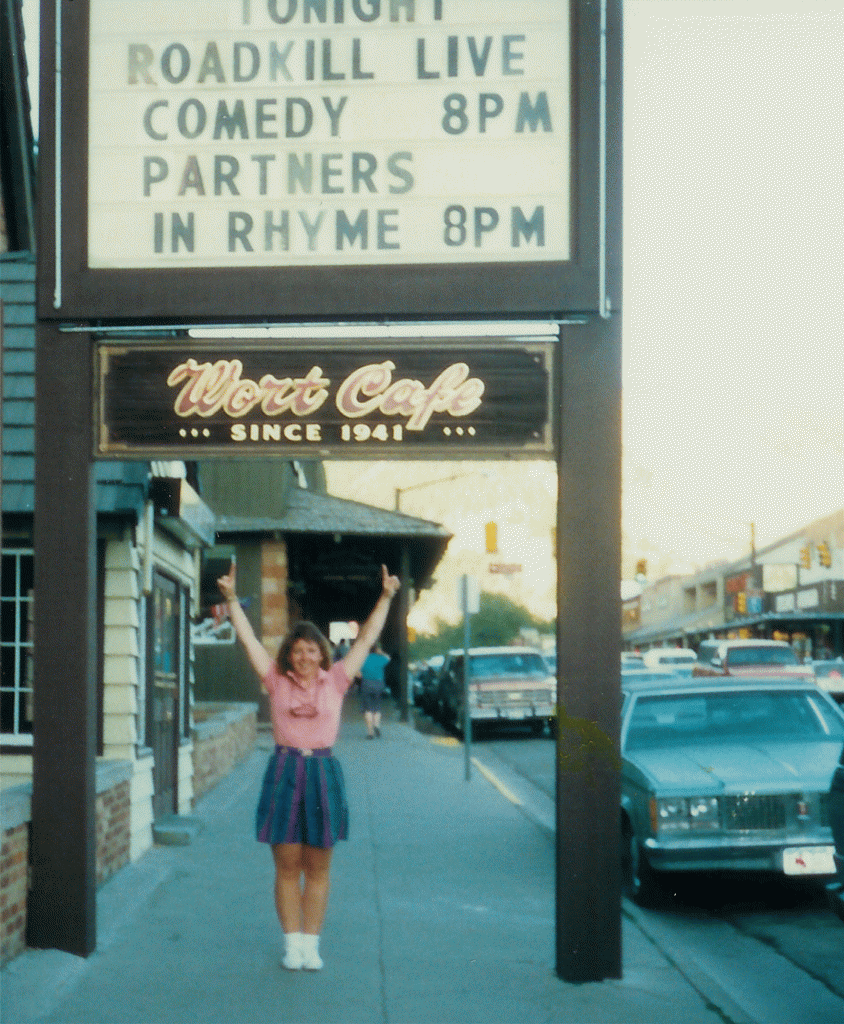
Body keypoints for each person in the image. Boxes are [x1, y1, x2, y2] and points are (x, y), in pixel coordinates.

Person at [216, 561, 400, 971]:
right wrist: (230, 599)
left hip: (321, 773)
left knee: (317, 866)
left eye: (311, 650)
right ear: (289, 655)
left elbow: (367, 637)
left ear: (322, 654)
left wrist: (386, 596)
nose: (303, 656)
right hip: (284, 773)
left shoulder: (336, 680)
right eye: (297, 650)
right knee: (286, 866)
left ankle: (312, 944)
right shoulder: (275, 681)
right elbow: (248, 641)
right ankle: (292, 944)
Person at [360, 645, 390, 738]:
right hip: (379, 684)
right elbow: (388, 658)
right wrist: (381, 653)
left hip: (366, 684)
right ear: (376, 650)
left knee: (367, 709)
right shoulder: (381, 658)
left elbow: (358, 673)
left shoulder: (362, 659)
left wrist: (364, 675)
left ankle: (370, 733)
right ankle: (376, 725)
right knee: (377, 707)